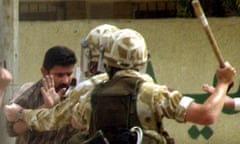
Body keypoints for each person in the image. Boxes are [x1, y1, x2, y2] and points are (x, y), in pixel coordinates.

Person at [5, 28, 236, 144]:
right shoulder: (156, 94)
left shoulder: (88, 94)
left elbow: (47, 119)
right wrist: (223, 83)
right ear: (144, 59)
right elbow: (207, 114)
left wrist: (21, 114)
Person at [5, 45, 79, 144]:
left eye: (69, 74)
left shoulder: (78, 94)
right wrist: (45, 108)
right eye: (59, 75)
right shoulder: (29, 93)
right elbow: (12, 129)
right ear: (44, 72)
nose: (65, 80)